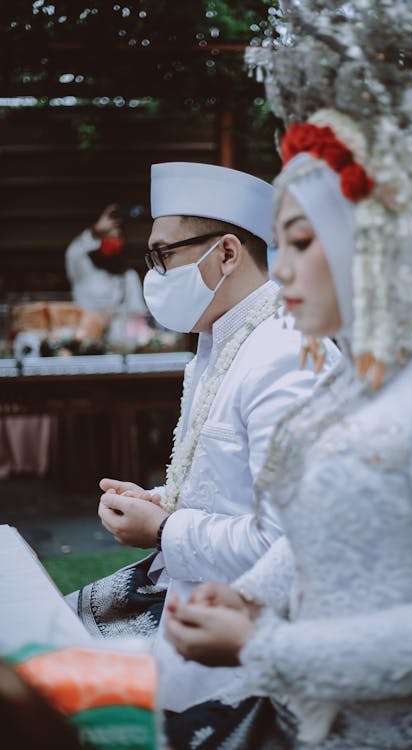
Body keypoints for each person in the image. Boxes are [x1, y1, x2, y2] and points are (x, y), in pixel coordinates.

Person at [165, 3, 412, 748]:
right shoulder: (369, 371)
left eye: (302, 241)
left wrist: (263, 647)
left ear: (375, 236)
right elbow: (332, 527)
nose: (278, 269)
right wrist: (248, 597)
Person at [68, 161, 339, 717]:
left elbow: (294, 545)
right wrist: (163, 499)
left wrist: (165, 529)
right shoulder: (219, 342)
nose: (154, 274)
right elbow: (229, 485)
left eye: (163, 256)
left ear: (228, 253)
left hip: (246, 621)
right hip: (193, 588)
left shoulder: (287, 355)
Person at [65, 203, 147, 343]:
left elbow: (137, 315)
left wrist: (115, 316)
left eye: (118, 237)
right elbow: (73, 253)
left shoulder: (128, 276)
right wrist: (96, 231)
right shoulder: (84, 268)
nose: (113, 242)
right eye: (107, 237)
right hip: (84, 340)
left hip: (118, 346)